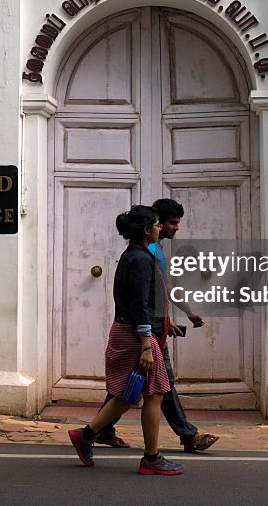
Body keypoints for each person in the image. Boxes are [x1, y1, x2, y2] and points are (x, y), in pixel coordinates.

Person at [93, 198, 219, 454]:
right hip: (146, 331)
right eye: (170, 223)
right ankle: (186, 436)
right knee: (162, 384)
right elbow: (140, 299)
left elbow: (163, 288)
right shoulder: (143, 254)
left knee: (133, 384)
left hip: (152, 326)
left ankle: (98, 429)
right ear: (155, 224)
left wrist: (184, 313)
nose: (173, 228)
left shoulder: (154, 251)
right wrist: (150, 333)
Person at [68, 205, 184, 476]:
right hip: (136, 335)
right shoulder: (142, 260)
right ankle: (151, 458)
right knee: (155, 393)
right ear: (146, 230)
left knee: (126, 394)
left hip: (125, 330)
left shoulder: (132, 255)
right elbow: (139, 304)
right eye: (156, 224)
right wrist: (146, 344)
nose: (159, 228)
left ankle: (85, 435)